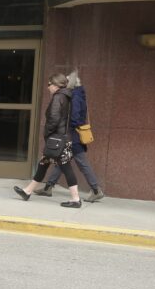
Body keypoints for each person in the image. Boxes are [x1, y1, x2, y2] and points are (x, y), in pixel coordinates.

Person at [13, 73, 82, 208]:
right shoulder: (67, 96)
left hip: (57, 139)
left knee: (66, 168)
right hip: (62, 137)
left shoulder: (58, 97)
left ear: (56, 85)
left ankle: (75, 199)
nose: (47, 87)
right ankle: (28, 191)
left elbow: (54, 119)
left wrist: (47, 133)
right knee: (43, 163)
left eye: (49, 84)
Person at [36, 71, 105, 202]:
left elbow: (74, 118)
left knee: (80, 163)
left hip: (73, 136)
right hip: (73, 135)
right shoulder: (78, 94)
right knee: (61, 161)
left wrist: (67, 128)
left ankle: (96, 190)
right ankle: (48, 187)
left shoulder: (75, 96)